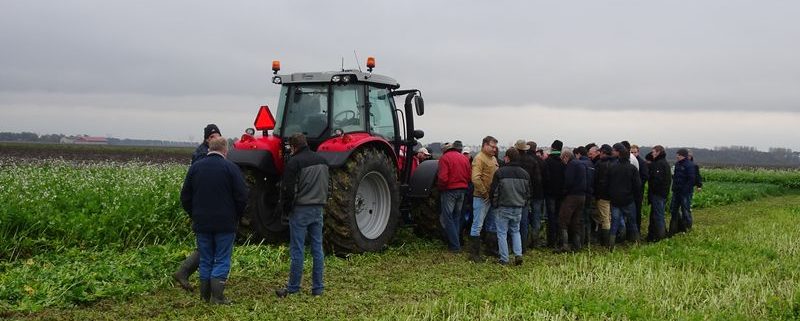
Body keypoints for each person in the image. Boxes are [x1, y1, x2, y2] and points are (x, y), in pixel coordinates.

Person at [180, 137, 248, 304]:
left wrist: (194, 214)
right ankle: (217, 297)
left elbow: (185, 197)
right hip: (225, 223)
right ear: (225, 150)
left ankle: (204, 296)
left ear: (209, 148)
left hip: (202, 223)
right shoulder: (231, 168)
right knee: (222, 258)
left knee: (206, 258)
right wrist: (236, 215)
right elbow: (242, 196)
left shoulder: (195, 168)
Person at [276, 133, 330, 297]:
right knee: (317, 249)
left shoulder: (294, 163)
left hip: (300, 210)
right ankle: (318, 288)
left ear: (293, 147)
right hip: (318, 209)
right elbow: (329, 185)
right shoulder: (323, 161)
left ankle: (293, 288)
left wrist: (286, 209)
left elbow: (289, 190)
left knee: (297, 250)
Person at [173, 123, 222, 293]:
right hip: (204, 207)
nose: (218, 139)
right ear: (209, 138)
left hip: (203, 208)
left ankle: (186, 273)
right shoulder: (202, 156)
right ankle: (187, 273)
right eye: (215, 137)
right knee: (208, 245)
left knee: (208, 245)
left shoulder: (204, 153)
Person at [489, 148, 530, 265]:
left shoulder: (500, 172)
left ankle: (504, 259)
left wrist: (494, 204)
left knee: (502, 233)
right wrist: (524, 203)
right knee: (515, 231)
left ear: (507, 158)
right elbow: (528, 192)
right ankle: (518, 254)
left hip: (503, 206)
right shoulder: (525, 174)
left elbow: (494, 191)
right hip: (518, 207)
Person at [468, 136, 499, 262]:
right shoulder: (479, 158)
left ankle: (490, 249)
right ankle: (474, 254)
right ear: (484, 145)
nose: (494, 149)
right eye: (492, 146)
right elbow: (475, 178)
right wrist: (485, 193)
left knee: (492, 224)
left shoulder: (493, 158)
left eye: (495, 147)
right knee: (477, 225)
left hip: (491, 198)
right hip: (482, 197)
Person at [436, 140, 471, 252]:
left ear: (444, 151)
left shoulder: (444, 158)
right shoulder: (464, 158)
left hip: (449, 190)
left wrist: (440, 188)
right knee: (456, 217)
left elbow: (442, 178)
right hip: (462, 190)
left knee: (448, 218)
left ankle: (455, 246)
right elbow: (469, 176)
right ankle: (457, 243)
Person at [606, 143, 642, 250]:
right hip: (628, 199)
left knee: (615, 223)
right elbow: (638, 186)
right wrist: (635, 197)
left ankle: (611, 245)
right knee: (632, 222)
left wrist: (610, 195)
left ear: (619, 154)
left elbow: (607, 183)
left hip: (615, 200)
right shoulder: (632, 169)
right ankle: (637, 243)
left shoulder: (612, 167)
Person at [555, 149, 587, 253]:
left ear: (566, 157)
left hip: (572, 196)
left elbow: (568, 181)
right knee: (576, 221)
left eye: (562, 159)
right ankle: (577, 245)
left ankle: (564, 245)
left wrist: (563, 192)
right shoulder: (581, 164)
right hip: (582, 196)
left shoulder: (571, 165)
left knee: (563, 220)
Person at [544, 140, 566, 248]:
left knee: (550, 217)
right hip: (560, 194)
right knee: (558, 217)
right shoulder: (563, 163)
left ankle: (551, 241)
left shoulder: (547, 161)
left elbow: (545, 178)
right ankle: (559, 239)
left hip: (550, 194)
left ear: (552, 148)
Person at [646, 145, 671, 242]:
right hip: (661, 194)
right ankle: (655, 235)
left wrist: (653, 190)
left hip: (658, 194)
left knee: (658, 216)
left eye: (653, 152)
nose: (652, 154)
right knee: (656, 215)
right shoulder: (664, 162)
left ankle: (660, 237)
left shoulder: (659, 164)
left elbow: (657, 180)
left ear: (658, 152)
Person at [669, 148, 696, 236]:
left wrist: (685, 190)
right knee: (673, 210)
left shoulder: (689, 165)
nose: (677, 156)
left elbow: (691, 179)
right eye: (677, 154)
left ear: (683, 156)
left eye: (679, 155)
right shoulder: (677, 164)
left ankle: (688, 228)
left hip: (684, 193)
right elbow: (675, 177)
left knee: (686, 210)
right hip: (676, 191)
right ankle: (674, 228)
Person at [593, 144, 614, 247]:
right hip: (612, 195)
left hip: (602, 195)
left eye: (600, 152)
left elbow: (597, 180)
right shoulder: (614, 163)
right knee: (608, 217)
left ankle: (605, 242)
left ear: (603, 153)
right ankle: (604, 240)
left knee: (604, 218)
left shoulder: (600, 164)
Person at [574, 146, 595, 247]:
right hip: (590, 194)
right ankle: (588, 240)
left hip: (581, 194)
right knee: (587, 218)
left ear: (578, 154)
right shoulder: (591, 163)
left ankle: (580, 241)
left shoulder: (579, 164)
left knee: (580, 218)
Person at [630, 144, 649, 236]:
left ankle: (637, 229)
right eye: (631, 152)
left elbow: (645, 176)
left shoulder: (642, 162)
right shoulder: (630, 161)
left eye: (635, 152)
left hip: (638, 191)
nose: (633, 154)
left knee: (637, 210)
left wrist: (638, 185)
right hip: (631, 191)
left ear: (638, 152)